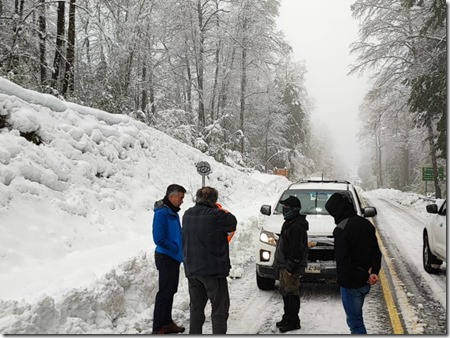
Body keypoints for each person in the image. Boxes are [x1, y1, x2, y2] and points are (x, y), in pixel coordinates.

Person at [324, 191, 382, 334]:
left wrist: (364, 276)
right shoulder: (366, 224)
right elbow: (376, 251)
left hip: (351, 284)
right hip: (365, 284)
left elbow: (343, 263)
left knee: (355, 323)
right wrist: (374, 272)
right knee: (357, 319)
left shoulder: (341, 229)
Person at [182, 187, 237, 334]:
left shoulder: (187, 214)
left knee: (196, 308)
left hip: (192, 270)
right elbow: (232, 222)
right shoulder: (217, 216)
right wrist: (221, 210)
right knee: (219, 309)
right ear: (214, 200)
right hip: (213, 271)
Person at [152, 184, 187, 334]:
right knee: (164, 293)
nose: (182, 201)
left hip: (173, 258)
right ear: (172, 196)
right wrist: (174, 248)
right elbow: (158, 238)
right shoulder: (161, 213)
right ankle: (158, 327)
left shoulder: (172, 211)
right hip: (166, 257)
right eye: (180, 197)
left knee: (170, 291)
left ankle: (167, 322)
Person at [273, 195, 309, 333]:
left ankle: (293, 321)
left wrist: (290, 267)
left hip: (290, 267)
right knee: (285, 292)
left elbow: (297, 250)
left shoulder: (296, 226)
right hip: (284, 265)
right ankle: (287, 317)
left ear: (294, 209)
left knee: (291, 293)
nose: (284, 210)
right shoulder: (289, 223)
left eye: (286, 207)